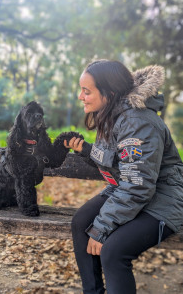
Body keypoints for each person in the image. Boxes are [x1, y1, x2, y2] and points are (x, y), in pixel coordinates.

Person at [64, 60, 183, 294]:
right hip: (129, 188)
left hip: (163, 200)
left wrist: (101, 229)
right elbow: (117, 161)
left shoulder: (139, 123)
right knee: (81, 222)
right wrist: (87, 150)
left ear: (109, 93)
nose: (81, 96)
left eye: (86, 91)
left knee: (113, 251)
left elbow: (137, 186)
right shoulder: (111, 114)